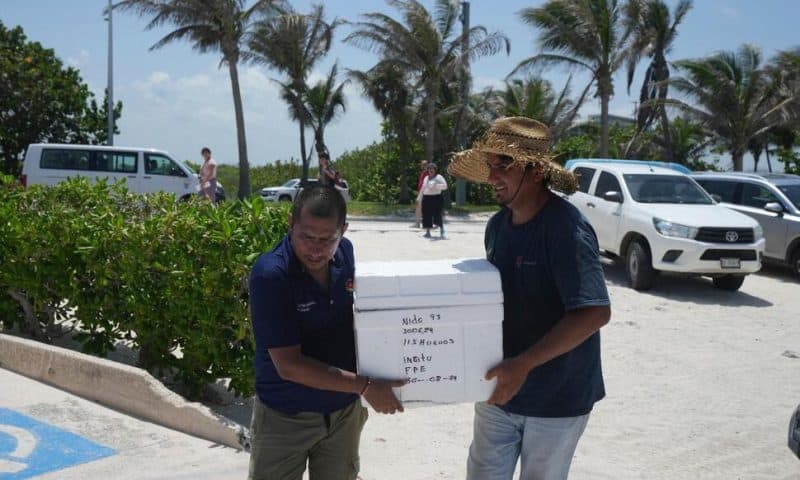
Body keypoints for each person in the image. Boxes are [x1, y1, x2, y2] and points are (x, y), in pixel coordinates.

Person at [448, 117, 611, 480]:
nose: (492, 177)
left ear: (536, 171)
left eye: (503, 165)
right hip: (499, 389)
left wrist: (522, 364)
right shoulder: (496, 227)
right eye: (489, 165)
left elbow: (594, 312)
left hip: (558, 397)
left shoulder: (566, 229)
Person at [248, 184, 406, 480]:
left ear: (343, 230)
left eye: (327, 239)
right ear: (290, 223)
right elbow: (290, 366)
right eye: (306, 237)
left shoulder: (345, 253)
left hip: (342, 416)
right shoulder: (271, 275)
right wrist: (367, 386)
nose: (316, 249)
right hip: (285, 417)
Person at [417, 163, 448, 239]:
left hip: (436, 198)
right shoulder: (426, 178)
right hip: (426, 198)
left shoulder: (439, 177)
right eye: (429, 169)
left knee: (437, 214)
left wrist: (436, 185)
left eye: (432, 169)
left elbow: (445, 186)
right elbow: (423, 189)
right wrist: (419, 198)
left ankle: (441, 230)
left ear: (435, 170)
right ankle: (428, 232)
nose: (430, 170)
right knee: (426, 215)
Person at [414, 159, 429, 228]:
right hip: (421, 192)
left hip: (425, 192)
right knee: (418, 207)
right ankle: (418, 223)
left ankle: (421, 224)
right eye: (422, 165)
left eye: (425, 164)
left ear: (427, 165)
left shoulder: (428, 173)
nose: (423, 166)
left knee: (422, 208)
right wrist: (418, 192)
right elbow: (420, 184)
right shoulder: (423, 172)